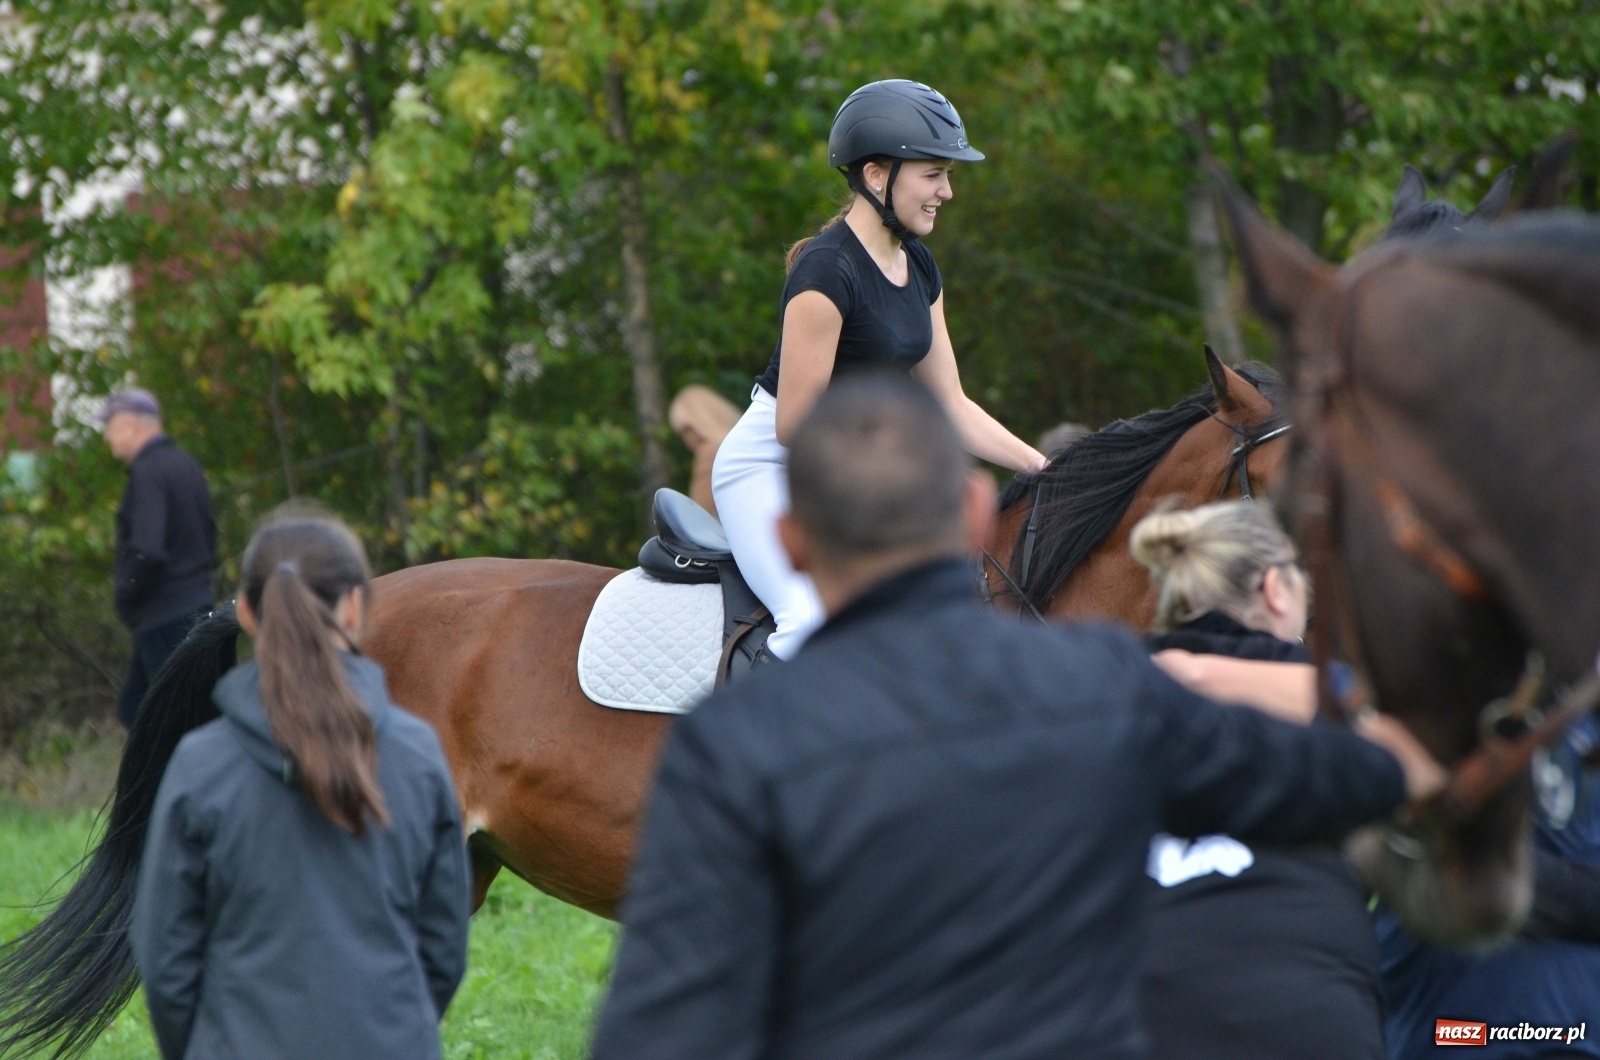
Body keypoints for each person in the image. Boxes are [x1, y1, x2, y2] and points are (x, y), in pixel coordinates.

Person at [591, 375, 1445, 1060]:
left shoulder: (730, 742)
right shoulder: (1100, 684)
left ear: (791, 540)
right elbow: (1355, 775)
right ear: (973, 513)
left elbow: (662, 1031)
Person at [711, 79, 1047, 660]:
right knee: (812, 622)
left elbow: (951, 404)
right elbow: (796, 424)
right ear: (875, 176)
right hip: (771, 467)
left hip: (853, 468)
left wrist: (1044, 468)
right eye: (933, 174)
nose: (947, 191)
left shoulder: (918, 263)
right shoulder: (825, 271)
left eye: (947, 175)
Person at [129, 511, 471, 1060]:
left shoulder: (201, 765)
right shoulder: (419, 755)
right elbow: (444, 946)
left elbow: (164, 953)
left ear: (244, 612)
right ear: (356, 606)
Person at [1130, 500, 1386, 1060]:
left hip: (1129, 1012)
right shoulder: (1346, 701)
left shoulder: (1097, 690)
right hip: (1308, 1013)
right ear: (1276, 587)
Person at [99, 387, 216, 727]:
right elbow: (208, 535)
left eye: (110, 426)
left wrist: (126, 597)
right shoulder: (186, 465)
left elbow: (147, 550)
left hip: (165, 618)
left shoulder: (148, 472)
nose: (107, 437)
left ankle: (174, 780)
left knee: (170, 723)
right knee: (139, 709)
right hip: (198, 606)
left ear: (131, 426)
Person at [668, 384, 740, 517]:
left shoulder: (710, 453)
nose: (685, 440)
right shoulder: (743, 445)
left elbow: (699, 514)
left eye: (685, 430)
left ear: (698, 423)